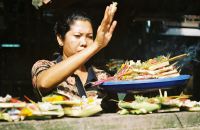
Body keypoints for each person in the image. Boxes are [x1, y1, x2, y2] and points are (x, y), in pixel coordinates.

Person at [31, 2, 118, 108]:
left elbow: (117, 107)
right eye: (77, 36)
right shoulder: (44, 66)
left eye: (90, 37)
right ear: (60, 39)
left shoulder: (102, 76)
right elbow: (43, 83)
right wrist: (96, 45)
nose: (84, 42)